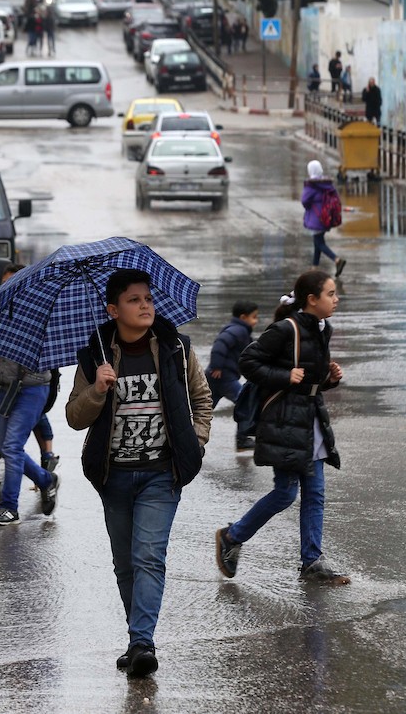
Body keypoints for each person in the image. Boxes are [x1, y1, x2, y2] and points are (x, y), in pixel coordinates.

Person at [65, 269, 212, 678]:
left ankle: (142, 643)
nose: (145, 305)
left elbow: (201, 397)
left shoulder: (175, 348)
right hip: (114, 476)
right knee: (125, 563)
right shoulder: (94, 354)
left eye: (148, 298)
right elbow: (75, 418)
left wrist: (194, 442)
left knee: (148, 556)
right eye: (134, 300)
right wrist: (96, 389)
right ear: (113, 309)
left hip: (161, 474)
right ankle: (137, 640)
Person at [215, 270, 349, 584]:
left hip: (310, 420)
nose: (336, 299)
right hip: (285, 423)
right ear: (312, 300)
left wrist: (328, 380)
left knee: (315, 493)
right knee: (286, 493)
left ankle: (312, 562)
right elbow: (249, 361)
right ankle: (231, 537)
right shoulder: (286, 329)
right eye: (330, 294)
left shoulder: (322, 328)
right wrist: (284, 376)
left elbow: (310, 382)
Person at [0, 350, 59, 526]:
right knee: (5, 447)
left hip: (32, 389)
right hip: (5, 389)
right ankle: (46, 480)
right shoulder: (0, 324)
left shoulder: (40, 326)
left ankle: (10, 508)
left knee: (11, 447)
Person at [0, 263, 59, 472]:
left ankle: (47, 457)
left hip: (34, 384)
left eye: (11, 283)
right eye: (3, 283)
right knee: (8, 446)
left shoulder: (37, 313)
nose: (5, 288)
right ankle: (44, 470)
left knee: (13, 444)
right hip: (7, 387)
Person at [206, 300, 259, 450]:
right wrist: (216, 365)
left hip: (216, 378)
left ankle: (188, 435)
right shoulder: (238, 330)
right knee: (246, 403)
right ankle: (242, 440)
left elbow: (246, 355)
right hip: (224, 377)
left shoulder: (237, 330)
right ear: (243, 317)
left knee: (204, 408)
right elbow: (220, 344)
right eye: (254, 317)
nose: (256, 321)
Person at [301, 160, 346, 277]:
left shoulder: (311, 185)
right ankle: (314, 267)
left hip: (316, 218)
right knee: (318, 241)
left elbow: (304, 201)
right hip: (326, 217)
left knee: (319, 242)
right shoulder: (327, 184)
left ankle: (336, 260)